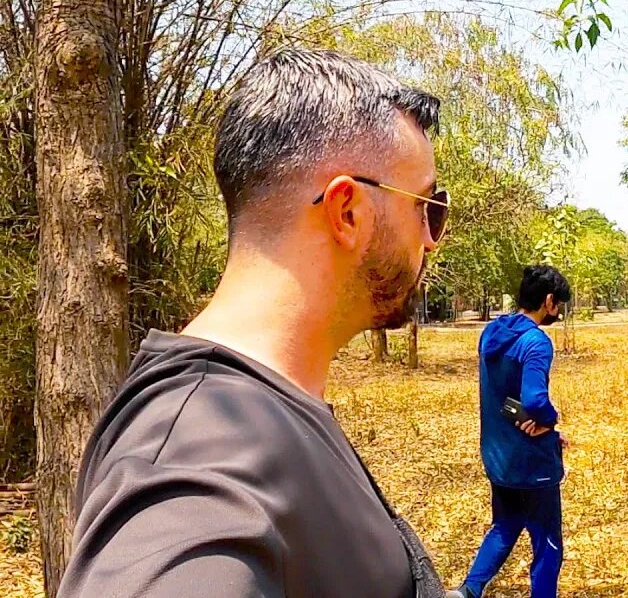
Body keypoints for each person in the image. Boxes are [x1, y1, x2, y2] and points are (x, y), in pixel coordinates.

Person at [59, 49, 450, 597]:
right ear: (348, 213)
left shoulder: (265, 403)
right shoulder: (199, 446)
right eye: (427, 206)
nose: (433, 237)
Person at [447, 266, 572, 598]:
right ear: (549, 301)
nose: (558, 311)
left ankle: (466, 592)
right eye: (559, 303)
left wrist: (545, 431)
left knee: (505, 525)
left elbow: (505, 397)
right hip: (531, 466)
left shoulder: (491, 334)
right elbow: (534, 399)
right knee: (547, 544)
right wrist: (550, 420)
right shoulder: (536, 342)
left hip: (497, 456)